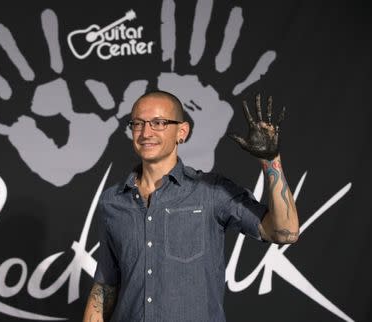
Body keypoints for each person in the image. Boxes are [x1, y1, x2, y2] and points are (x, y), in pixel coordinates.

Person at [82, 91, 299, 322]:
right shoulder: (112, 201)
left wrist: (271, 160)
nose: (146, 133)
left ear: (182, 132)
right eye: (138, 123)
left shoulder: (212, 191)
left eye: (159, 123)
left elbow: (286, 232)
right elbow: (106, 285)